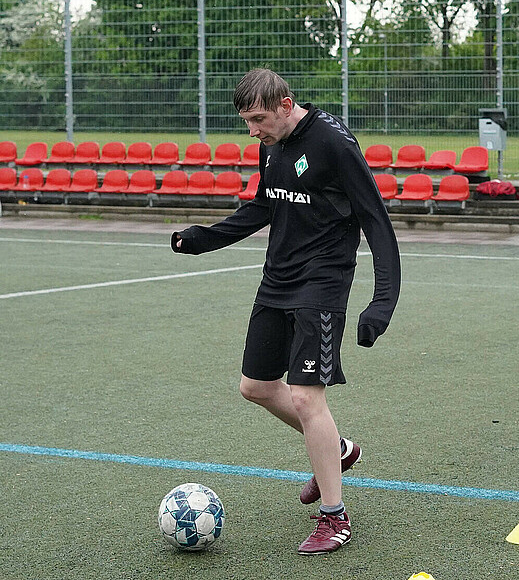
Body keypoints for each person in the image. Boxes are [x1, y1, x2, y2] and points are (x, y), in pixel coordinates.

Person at [170, 68, 401, 554]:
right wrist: (204, 238)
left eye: (258, 120)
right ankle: (336, 451)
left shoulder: (335, 144)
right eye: (246, 123)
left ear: (285, 103)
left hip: (323, 282)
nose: (252, 131)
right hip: (277, 280)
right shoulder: (270, 142)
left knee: (304, 397)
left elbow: (376, 221)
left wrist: (381, 302)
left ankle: (335, 518)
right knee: (254, 386)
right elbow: (264, 206)